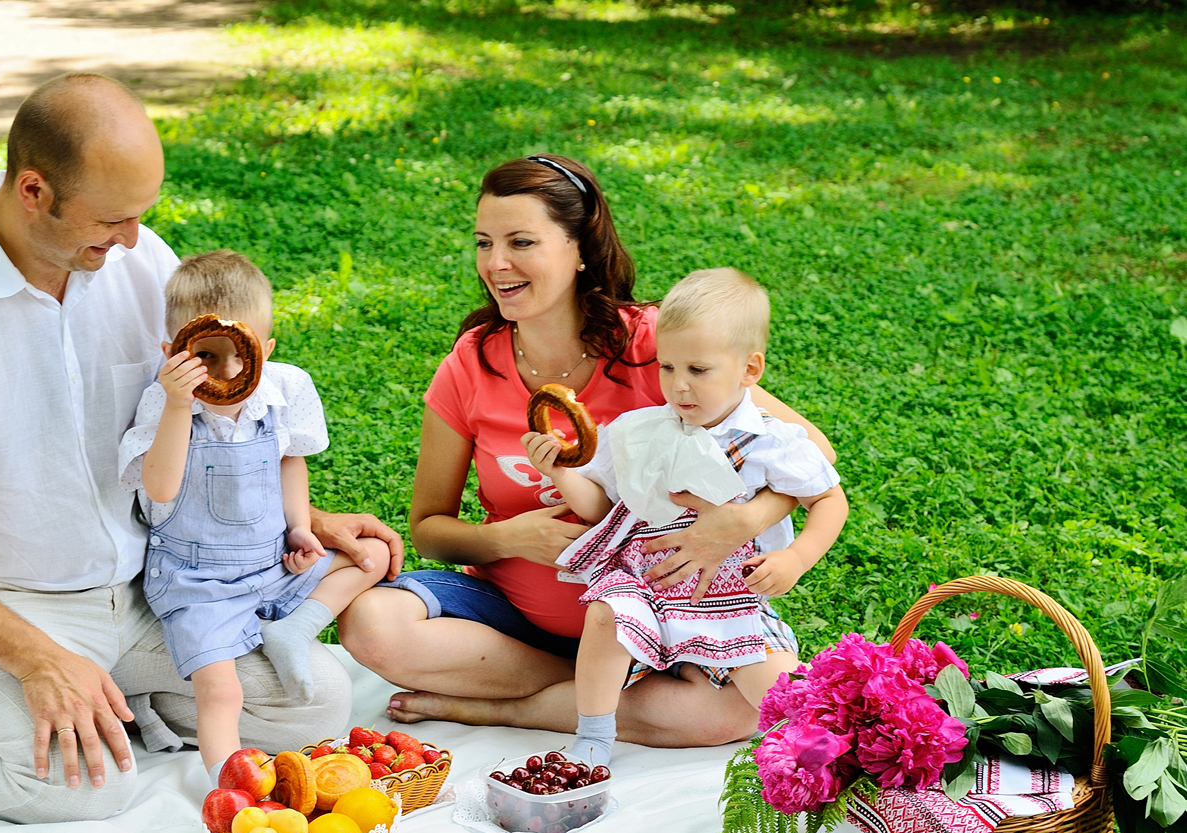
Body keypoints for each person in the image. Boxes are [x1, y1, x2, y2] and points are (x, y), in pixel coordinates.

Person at [0, 73, 401, 824]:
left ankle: (118, 696)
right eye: (113, 219)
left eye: (141, 216)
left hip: (145, 594)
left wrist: (303, 516)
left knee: (314, 701)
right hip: (0, 602)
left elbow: (199, 421)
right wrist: (37, 659)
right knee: (82, 788)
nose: (133, 240)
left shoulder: (133, 260)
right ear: (33, 190)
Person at [337, 154, 836, 748]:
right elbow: (428, 530)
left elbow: (810, 454)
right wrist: (509, 538)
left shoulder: (657, 345)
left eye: (521, 242)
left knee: (734, 711)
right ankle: (586, 690)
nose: (496, 264)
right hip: (514, 625)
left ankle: (508, 709)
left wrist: (745, 520)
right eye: (483, 243)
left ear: (579, 249)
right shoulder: (470, 364)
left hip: (662, 616)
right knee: (372, 624)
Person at [527, 268, 849, 766]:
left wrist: (797, 558)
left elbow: (830, 499)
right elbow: (599, 505)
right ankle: (592, 734)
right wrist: (563, 471)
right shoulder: (638, 430)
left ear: (750, 369)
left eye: (698, 370)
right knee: (606, 615)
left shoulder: (770, 441)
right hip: (649, 583)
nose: (679, 386)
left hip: (731, 592)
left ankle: (821, 753)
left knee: (779, 688)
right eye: (667, 367)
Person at [118, 250, 390, 780]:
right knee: (220, 692)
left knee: (373, 553)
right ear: (172, 352)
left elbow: (290, 460)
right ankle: (229, 788)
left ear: (265, 348)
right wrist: (177, 405)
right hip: (200, 583)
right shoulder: (166, 405)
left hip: (271, 563)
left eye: (243, 356)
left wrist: (301, 528)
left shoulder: (282, 390)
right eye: (207, 358)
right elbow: (160, 486)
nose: (228, 373)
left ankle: (293, 630)